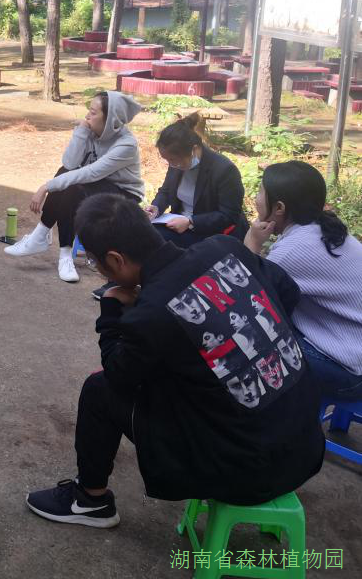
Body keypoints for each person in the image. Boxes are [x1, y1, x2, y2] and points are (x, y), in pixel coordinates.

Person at [25, 194, 323, 529]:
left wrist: (110, 310)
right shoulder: (226, 248)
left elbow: (118, 375)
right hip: (306, 443)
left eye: (96, 264)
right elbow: (288, 291)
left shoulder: (151, 314)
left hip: (246, 471)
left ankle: (90, 500)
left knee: (99, 389)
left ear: (115, 259)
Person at [244, 160, 362, 401]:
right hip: (352, 347)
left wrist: (251, 243)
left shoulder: (294, 250)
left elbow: (244, 293)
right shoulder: (323, 228)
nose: (256, 199)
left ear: (279, 207)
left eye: (260, 192)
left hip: (350, 374)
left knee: (250, 342)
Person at [5, 91, 145, 284]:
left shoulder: (126, 144)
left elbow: (92, 173)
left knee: (73, 187)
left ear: (110, 119)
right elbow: (69, 164)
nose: (87, 116)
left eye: (93, 113)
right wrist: (81, 132)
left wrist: (46, 187)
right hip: (96, 185)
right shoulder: (91, 131)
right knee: (66, 177)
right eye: (89, 111)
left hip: (124, 194)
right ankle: (51, 244)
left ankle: (56, 248)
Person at [145, 113, 249, 247]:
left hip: (210, 232)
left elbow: (229, 215)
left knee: (157, 242)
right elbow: (166, 191)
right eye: (167, 160)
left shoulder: (224, 170)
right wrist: (156, 208)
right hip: (178, 222)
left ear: (194, 150)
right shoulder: (177, 163)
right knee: (145, 233)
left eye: (173, 160)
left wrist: (191, 222)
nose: (171, 165)